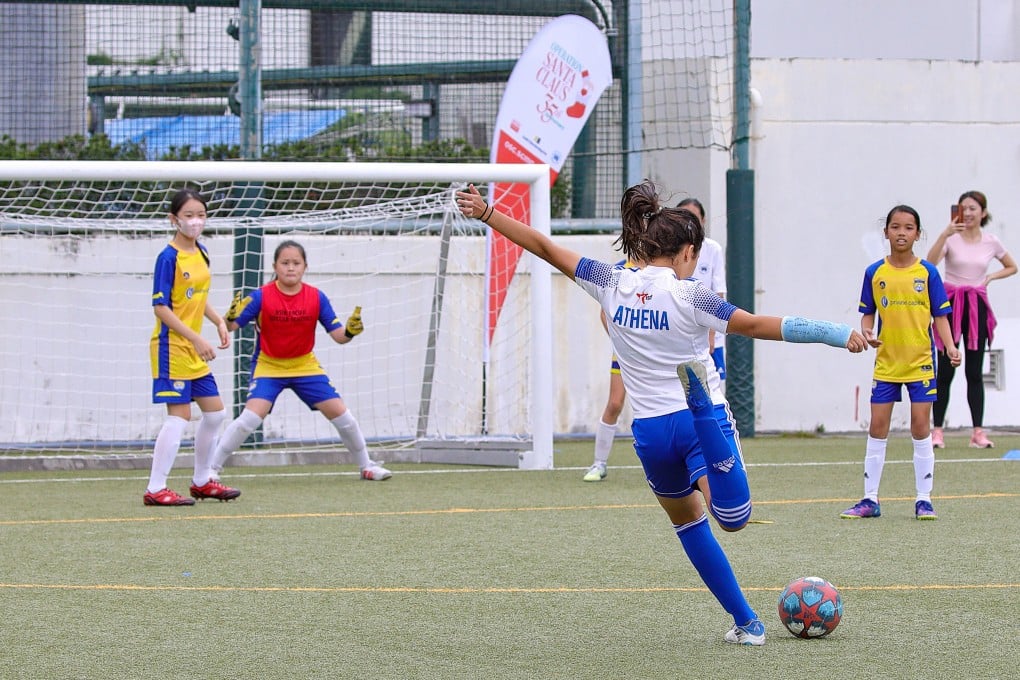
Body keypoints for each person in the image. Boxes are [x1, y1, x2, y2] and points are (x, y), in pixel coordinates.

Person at [456, 180, 867, 646]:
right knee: (734, 518)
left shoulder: (610, 281)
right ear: (688, 252)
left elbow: (545, 247)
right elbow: (753, 325)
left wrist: (488, 213)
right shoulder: (690, 295)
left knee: (690, 525)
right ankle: (703, 411)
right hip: (696, 422)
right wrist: (836, 333)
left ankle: (748, 624)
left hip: (651, 432)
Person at [210, 240, 392, 482]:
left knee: (343, 417)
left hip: (305, 365)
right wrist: (228, 317)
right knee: (249, 419)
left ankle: (366, 466)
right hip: (269, 366)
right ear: (275, 266)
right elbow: (230, 327)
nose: (290, 267)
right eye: (285, 263)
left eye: (296, 263)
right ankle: (211, 469)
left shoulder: (316, 297)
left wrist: (350, 331)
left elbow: (339, 337)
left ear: (305, 266)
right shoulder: (261, 296)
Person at [583, 197, 726, 483]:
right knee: (615, 403)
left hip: (681, 351)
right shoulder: (619, 275)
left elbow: (722, 306)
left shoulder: (688, 270)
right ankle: (599, 463)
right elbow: (604, 313)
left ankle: (702, 465)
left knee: (701, 404)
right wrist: (628, 342)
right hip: (631, 354)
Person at [840, 205, 961, 522]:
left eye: (909, 228)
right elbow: (868, 313)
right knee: (877, 427)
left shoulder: (928, 273)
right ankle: (870, 499)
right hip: (887, 364)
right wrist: (868, 332)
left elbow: (940, 316)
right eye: (895, 227)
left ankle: (924, 500)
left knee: (921, 427)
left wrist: (950, 347)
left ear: (918, 234)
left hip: (921, 362)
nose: (902, 233)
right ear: (886, 232)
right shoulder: (875, 272)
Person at [146, 188, 241, 506]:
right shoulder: (168, 258)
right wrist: (197, 338)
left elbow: (198, 297)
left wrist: (217, 321)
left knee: (215, 413)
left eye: (201, 215)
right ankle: (155, 488)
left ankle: (201, 481)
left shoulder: (202, 252)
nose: (195, 221)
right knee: (180, 416)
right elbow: (161, 308)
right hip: (171, 347)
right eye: (188, 215)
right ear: (174, 219)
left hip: (193, 349)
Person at [926, 191, 1017, 449]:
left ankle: (978, 432)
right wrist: (944, 234)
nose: (967, 213)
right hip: (950, 304)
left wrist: (990, 278)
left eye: (972, 208)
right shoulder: (951, 238)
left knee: (974, 372)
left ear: (983, 212)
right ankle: (937, 431)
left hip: (976, 306)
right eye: (963, 208)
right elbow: (929, 264)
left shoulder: (991, 241)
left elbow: (1012, 266)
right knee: (945, 372)